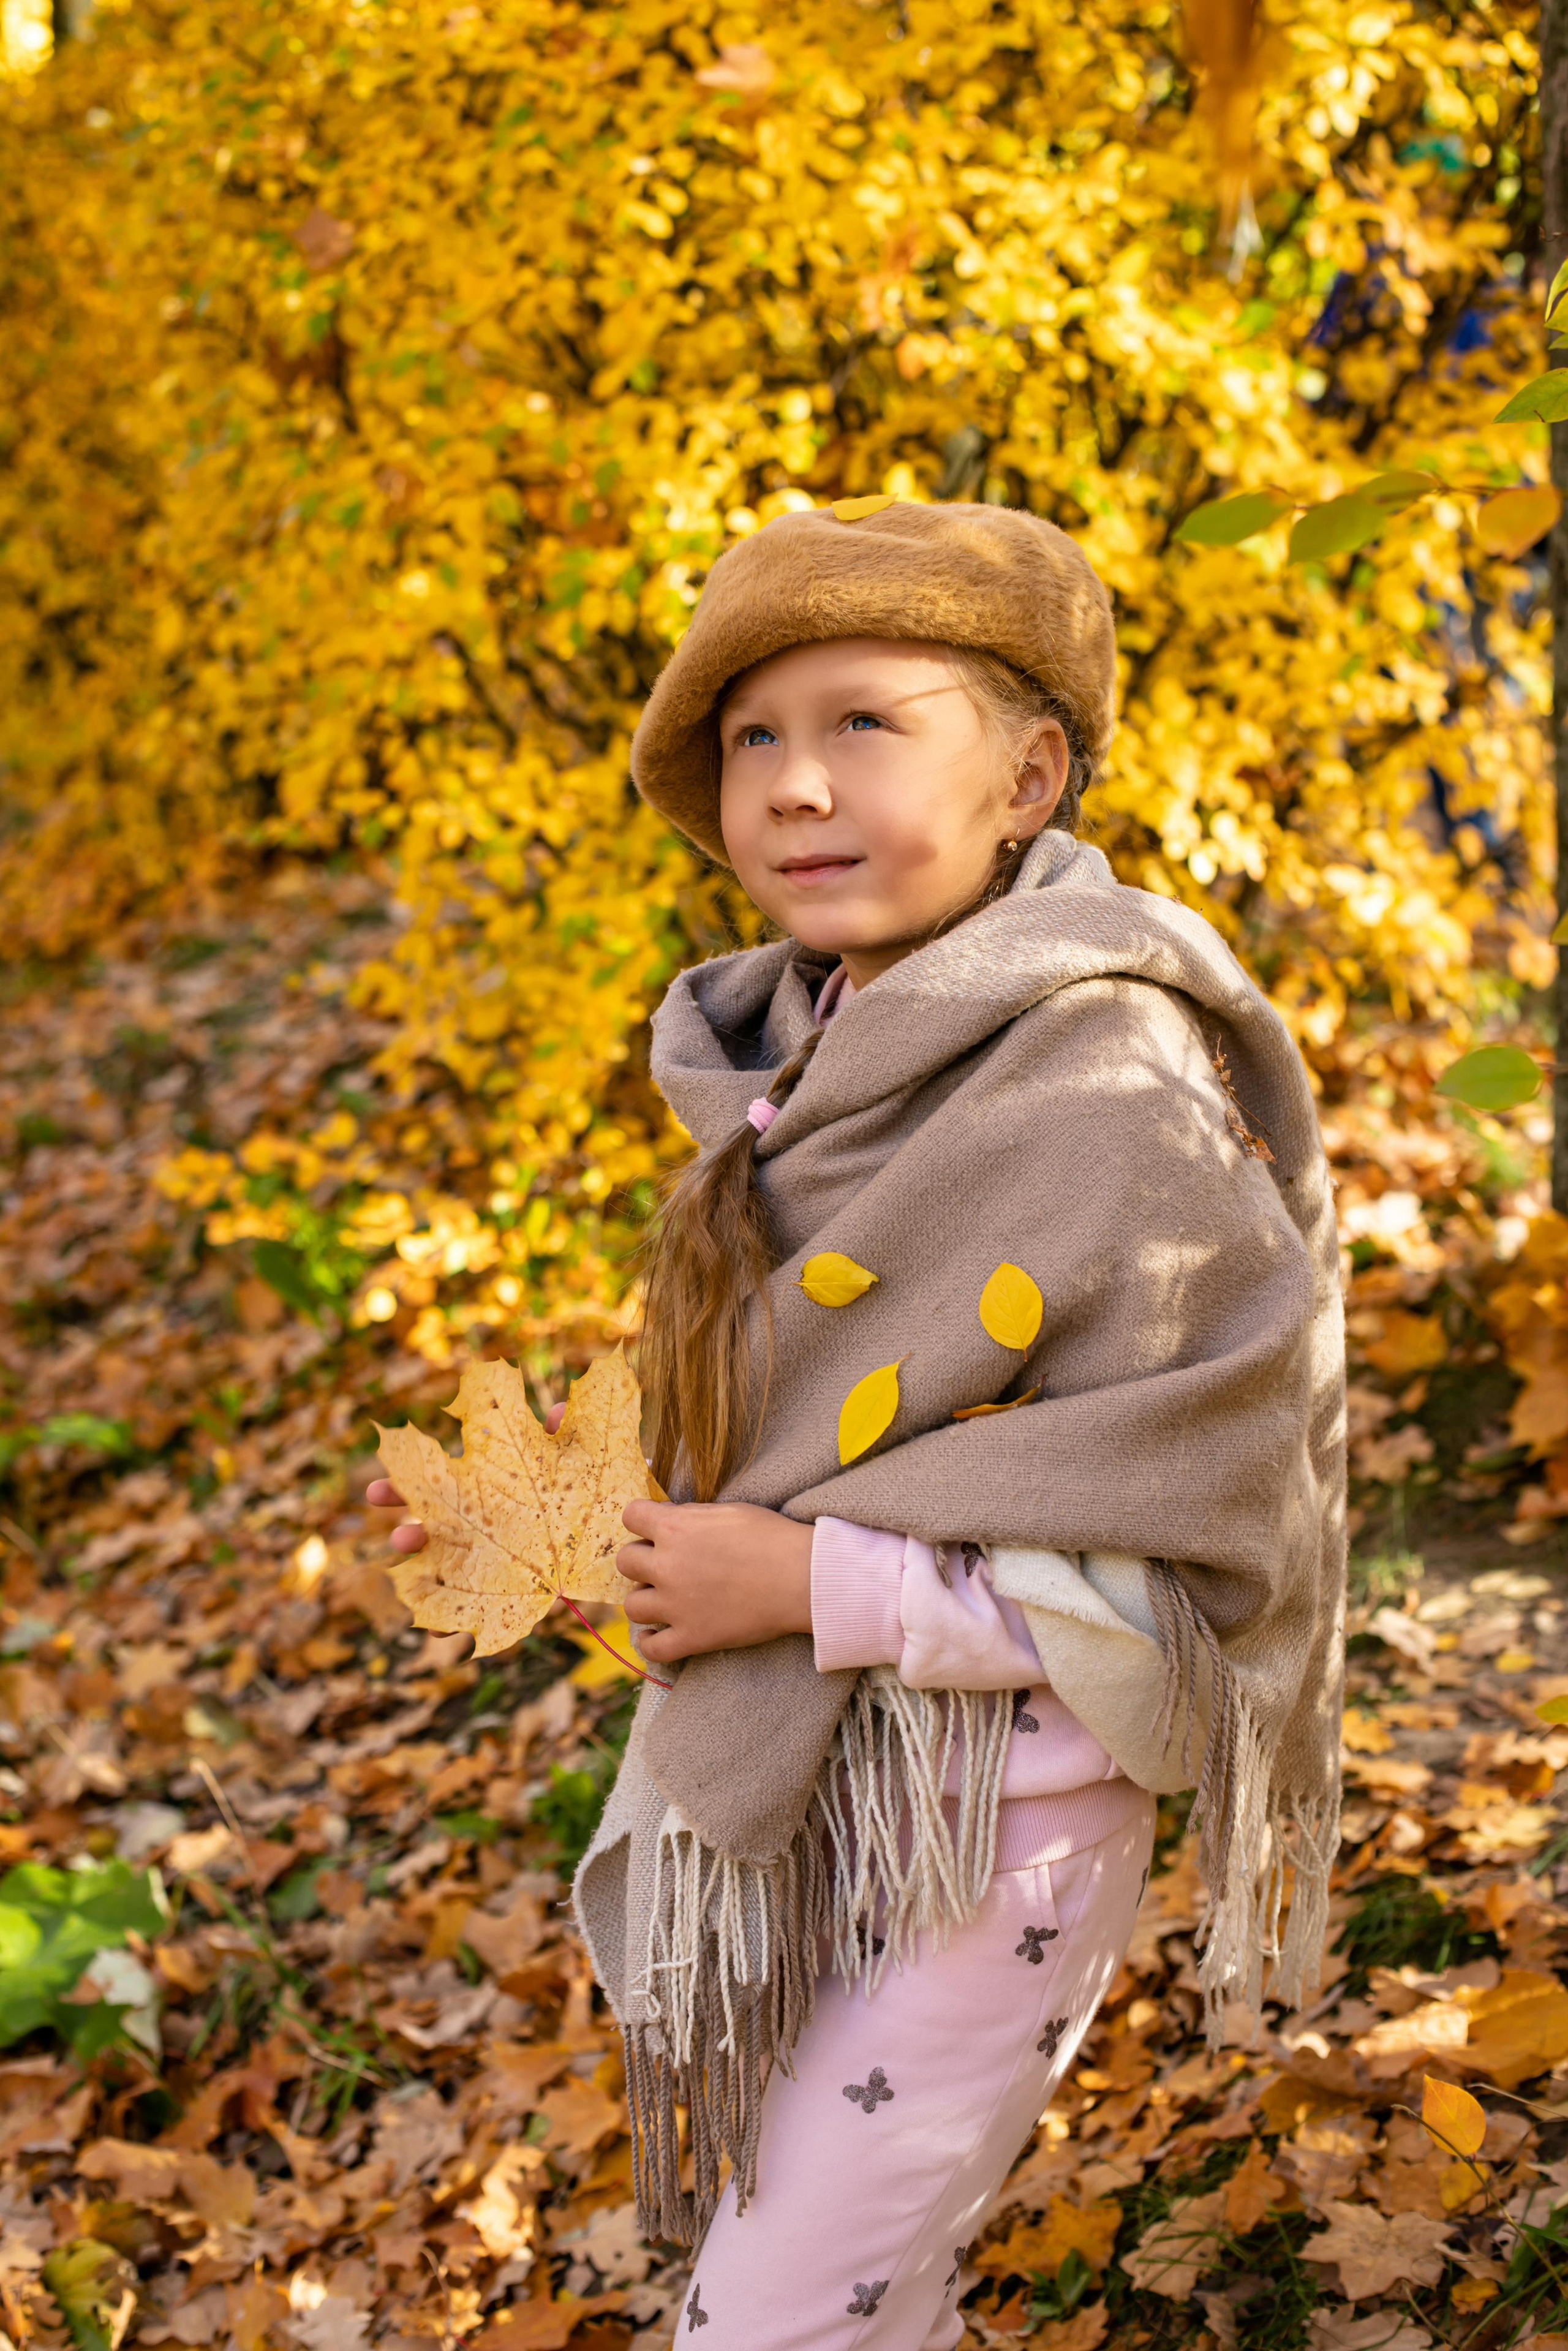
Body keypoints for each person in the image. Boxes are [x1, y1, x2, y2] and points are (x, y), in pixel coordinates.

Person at [371, 499, 1346, 2349]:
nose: (796, 787)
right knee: (843, 2290)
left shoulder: (1104, 1087)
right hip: (827, 1800)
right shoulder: (793, 1074)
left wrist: (814, 1588)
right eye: (755, 738)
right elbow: (807, 1447)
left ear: (1031, 775)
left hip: (999, 1832)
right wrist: (573, 1540)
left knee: (775, 2318)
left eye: (868, 723)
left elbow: (1189, 1549)